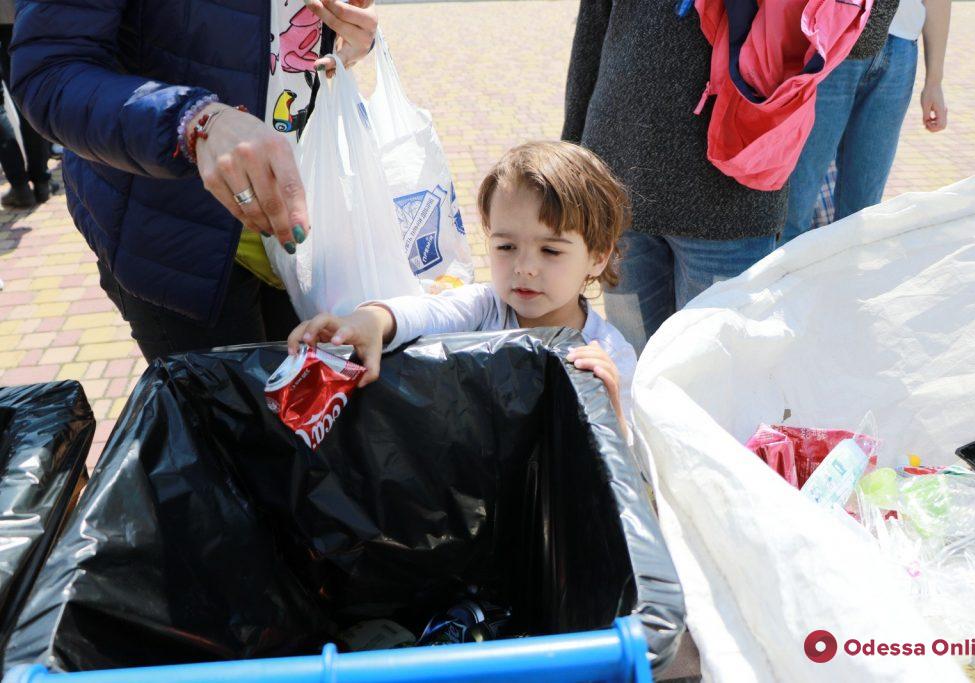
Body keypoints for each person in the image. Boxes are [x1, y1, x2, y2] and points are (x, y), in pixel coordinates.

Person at [9, 0, 378, 362]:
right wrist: (193, 122)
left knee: (313, 409)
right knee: (227, 417)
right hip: (179, 238)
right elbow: (51, 71)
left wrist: (351, 29)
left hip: (305, 217)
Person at [288, 141, 637, 436]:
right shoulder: (485, 309)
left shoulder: (610, 355)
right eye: (505, 247)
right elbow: (431, 311)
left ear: (598, 256)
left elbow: (633, 470)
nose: (524, 268)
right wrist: (372, 320)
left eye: (550, 250)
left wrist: (615, 413)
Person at [562, 1, 790, 355]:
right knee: (633, 364)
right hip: (619, 179)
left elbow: (845, 36)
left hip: (730, 197)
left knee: (715, 377)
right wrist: (572, 158)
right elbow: (592, 31)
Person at [781, 0, 951, 243]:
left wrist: (934, 80)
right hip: (834, 36)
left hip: (901, 46)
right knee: (796, 201)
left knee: (863, 211)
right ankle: (780, 279)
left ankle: (844, 280)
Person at [0, 0, 55, 209]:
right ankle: (41, 181)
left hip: (18, 18)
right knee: (28, 96)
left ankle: (21, 186)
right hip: (20, 16)